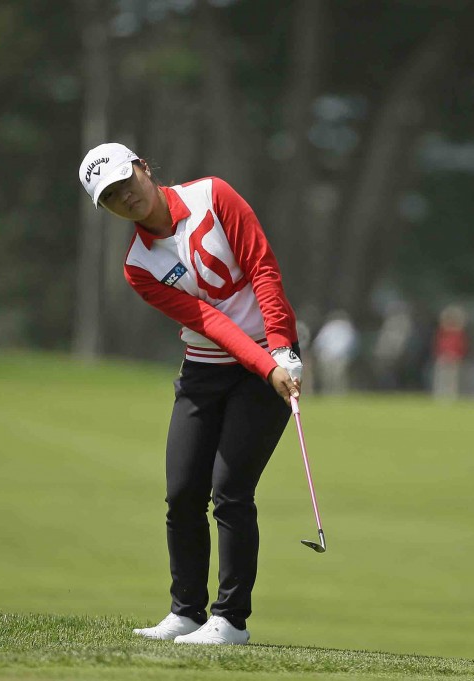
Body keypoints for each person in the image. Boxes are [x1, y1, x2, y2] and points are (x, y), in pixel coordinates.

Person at [77, 142, 303, 646]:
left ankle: (231, 621)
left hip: (269, 361)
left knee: (230, 490)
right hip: (207, 370)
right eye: (111, 196)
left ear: (143, 167)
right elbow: (208, 321)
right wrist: (265, 365)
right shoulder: (138, 266)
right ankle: (186, 613)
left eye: (125, 182)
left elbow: (263, 268)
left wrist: (282, 352)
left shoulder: (213, 196)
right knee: (182, 493)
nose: (125, 197)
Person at [432, 304, 469, 401]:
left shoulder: (459, 334)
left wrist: (458, 356)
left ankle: (451, 396)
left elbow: (461, 346)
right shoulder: (443, 332)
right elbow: (438, 345)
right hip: (443, 357)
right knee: (441, 378)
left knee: (452, 379)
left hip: (454, 358)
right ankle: (440, 396)